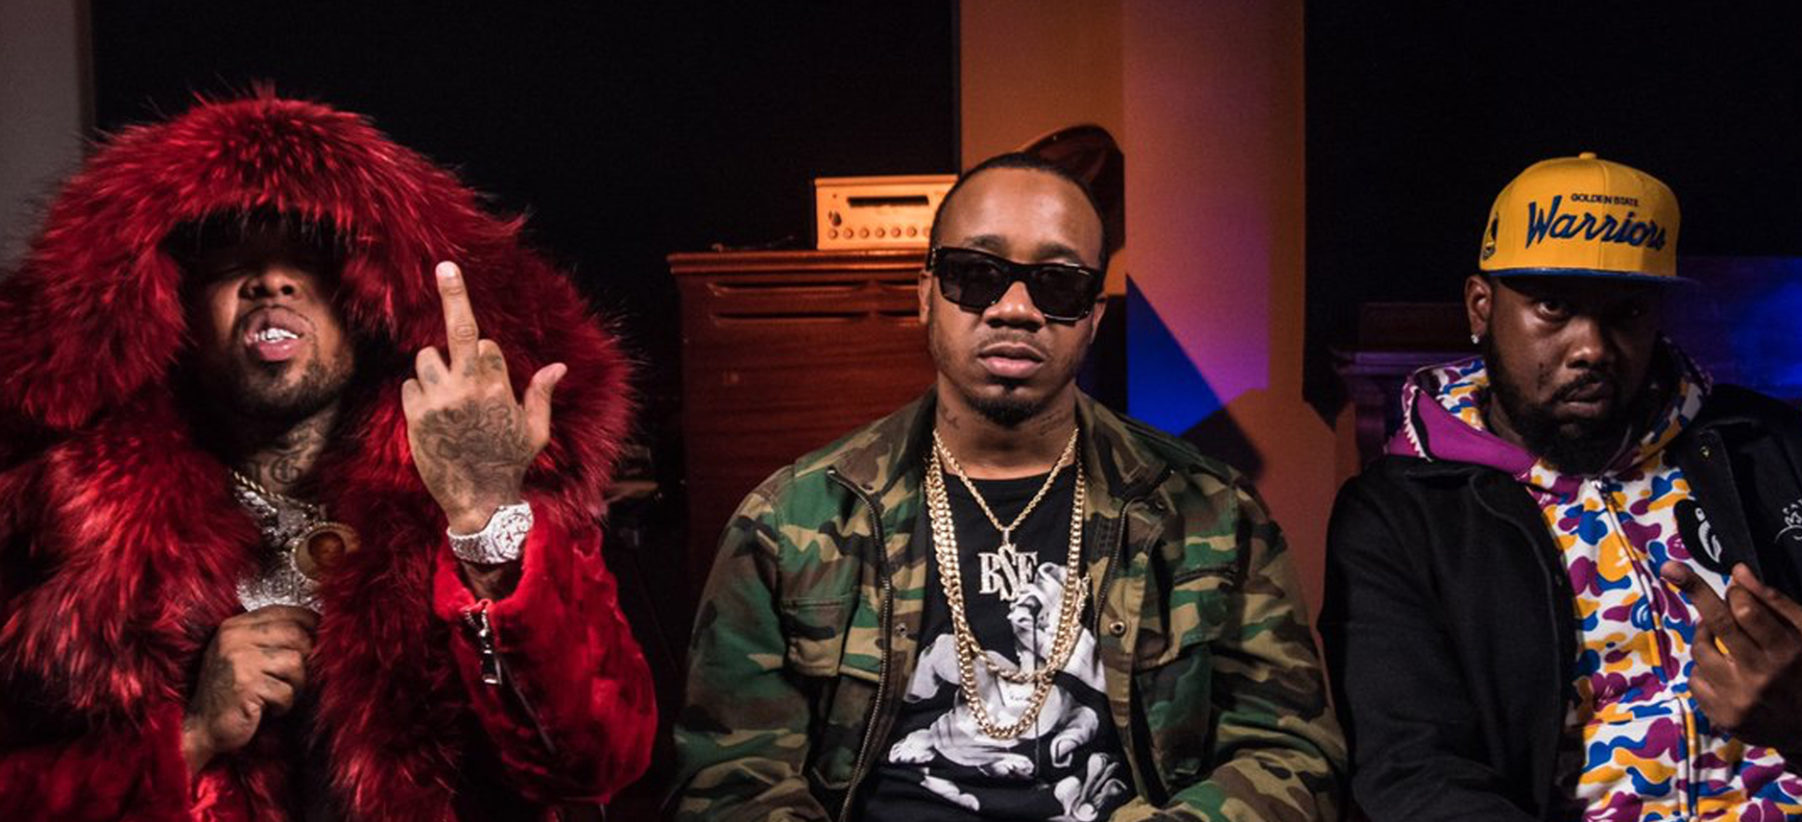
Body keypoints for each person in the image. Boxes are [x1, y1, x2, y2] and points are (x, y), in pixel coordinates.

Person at [0, 93, 656, 820]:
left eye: (308, 261)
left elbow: (598, 762)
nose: (270, 282)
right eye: (229, 262)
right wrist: (192, 736)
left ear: (369, 304)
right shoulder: (64, 518)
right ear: (169, 307)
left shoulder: (491, 485)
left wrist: (484, 521)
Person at [671, 153, 1345, 821]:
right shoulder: (791, 520)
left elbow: (1290, 752)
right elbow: (730, 781)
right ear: (926, 293)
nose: (1015, 308)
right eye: (976, 274)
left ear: (1094, 316)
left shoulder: (1212, 514)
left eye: (1058, 284)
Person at [1320, 153, 1802, 820]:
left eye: (1627, 311)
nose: (1593, 348)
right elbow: (1412, 770)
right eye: (1554, 305)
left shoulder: (1769, 447)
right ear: (1481, 307)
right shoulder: (1398, 513)